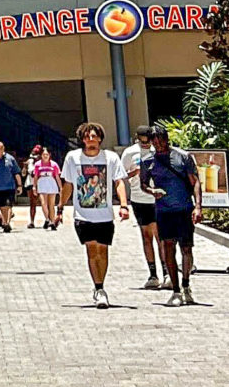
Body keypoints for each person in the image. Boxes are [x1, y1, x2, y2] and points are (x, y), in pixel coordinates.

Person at [62, 122, 128, 307]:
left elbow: (119, 182)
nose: (91, 139)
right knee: (92, 250)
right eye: (87, 136)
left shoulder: (111, 158)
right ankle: (99, 288)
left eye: (94, 136)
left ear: (100, 138)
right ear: (82, 139)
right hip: (83, 214)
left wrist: (123, 205)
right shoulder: (72, 158)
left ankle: (101, 284)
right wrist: (59, 207)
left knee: (103, 250)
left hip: (105, 215)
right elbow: (68, 184)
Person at [140, 124, 201, 305]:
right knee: (168, 247)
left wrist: (198, 206)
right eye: (155, 142)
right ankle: (175, 290)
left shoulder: (183, 157)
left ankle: (186, 284)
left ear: (167, 139)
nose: (159, 145)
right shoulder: (147, 161)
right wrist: (152, 191)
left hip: (184, 208)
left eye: (162, 141)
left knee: (186, 248)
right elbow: (143, 184)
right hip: (164, 210)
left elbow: (195, 182)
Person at [121, 126, 162, 289]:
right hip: (139, 198)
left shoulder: (157, 150)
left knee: (161, 236)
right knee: (146, 237)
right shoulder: (130, 153)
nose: (146, 145)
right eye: (142, 141)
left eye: (148, 141)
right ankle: (153, 274)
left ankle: (167, 272)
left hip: (157, 198)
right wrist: (136, 172)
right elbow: (121, 175)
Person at [33, 143, 63, 230]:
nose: (45, 156)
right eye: (43, 154)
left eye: (47, 154)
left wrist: (60, 187)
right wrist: (34, 187)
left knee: (51, 204)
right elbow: (35, 176)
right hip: (42, 182)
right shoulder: (38, 164)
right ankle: (47, 219)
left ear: (49, 155)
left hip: (51, 183)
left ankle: (53, 222)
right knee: (43, 202)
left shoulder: (54, 164)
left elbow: (57, 177)